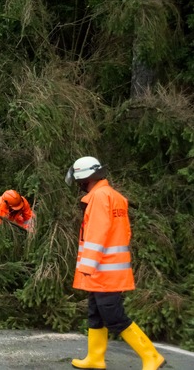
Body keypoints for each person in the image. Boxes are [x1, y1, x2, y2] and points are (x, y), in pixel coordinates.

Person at [65, 156, 165, 370]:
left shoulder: (99, 197)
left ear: (84, 178)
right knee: (96, 313)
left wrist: (86, 268)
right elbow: (124, 233)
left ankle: (151, 356)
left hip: (102, 270)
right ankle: (95, 358)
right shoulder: (114, 196)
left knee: (114, 316)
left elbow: (96, 234)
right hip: (108, 268)